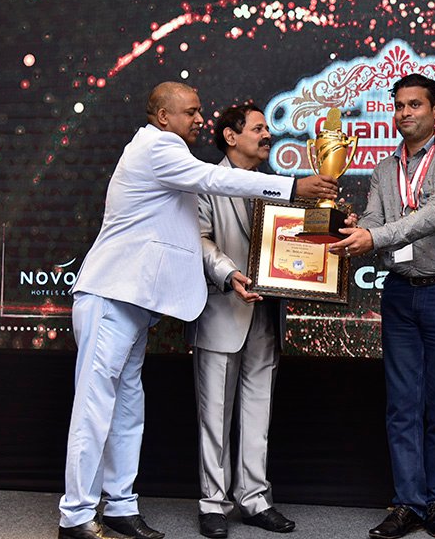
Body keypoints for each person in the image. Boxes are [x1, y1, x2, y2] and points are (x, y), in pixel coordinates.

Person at [58, 82, 338, 539]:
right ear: (163, 117)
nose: (199, 119)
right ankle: (75, 515)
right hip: (110, 295)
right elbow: (215, 180)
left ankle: (120, 506)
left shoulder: (168, 155)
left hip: (136, 302)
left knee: (127, 410)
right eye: (190, 112)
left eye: (199, 111)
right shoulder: (158, 148)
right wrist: (292, 185)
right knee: (94, 409)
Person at [330, 73, 435, 539]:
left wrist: (374, 237)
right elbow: (376, 217)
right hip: (400, 291)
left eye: (415, 104)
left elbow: (432, 217)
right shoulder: (383, 168)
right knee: (402, 405)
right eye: (398, 105)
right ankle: (408, 503)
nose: (405, 112)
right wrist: (355, 229)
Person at [187, 104, 295, 538]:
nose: (267, 135)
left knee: (258, 411)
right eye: (258, 128)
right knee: (214, 414)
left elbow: (294, 242)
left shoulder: (274, 185)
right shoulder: (205, 181)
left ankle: (254, 499)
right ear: (231, 137)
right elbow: (197, 239)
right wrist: (229, 274)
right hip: (221, 310)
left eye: (267, 128)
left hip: (265, 313)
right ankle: (213, 504)